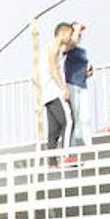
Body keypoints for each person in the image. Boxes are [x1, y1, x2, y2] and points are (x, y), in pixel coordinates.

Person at [42, 23, 76, 166]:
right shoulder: (54, 47)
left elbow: (72, 45)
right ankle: (67, 156)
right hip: (55, 92)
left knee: (54, 129)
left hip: (47, 94)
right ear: (62, 33)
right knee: (69, 121)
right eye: (69, 34)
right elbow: (53, 69)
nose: (70, 38)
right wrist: (63, 88)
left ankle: (51, 162)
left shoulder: (54, 48)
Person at [64, 23, 95, 148]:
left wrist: (88, 71)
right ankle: (72, 146)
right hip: (71, 83)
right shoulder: (67, 48)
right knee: (74, 117)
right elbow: (71, 45)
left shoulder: (82, 51)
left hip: (82, 84)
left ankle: (88, 145)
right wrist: (76, 30)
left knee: (85, 117)